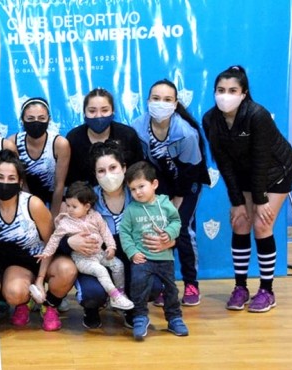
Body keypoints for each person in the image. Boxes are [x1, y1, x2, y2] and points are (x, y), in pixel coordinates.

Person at [203, 65, 292, 313]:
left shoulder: (258, 115)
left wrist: (261, 199)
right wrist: (236, 201)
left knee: (262, 224)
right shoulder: (210, 119)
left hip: (276, 171)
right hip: (246, 174)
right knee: (240, 222)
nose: (226, 94)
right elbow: (223, 163)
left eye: (233, 90)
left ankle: (267, 290)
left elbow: (261, 160)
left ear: (244, 93)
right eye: (221, 90)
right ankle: (241, 287)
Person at [58, 141, 168, 329]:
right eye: (101, 171)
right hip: (96, 260)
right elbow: (58, 241)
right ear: (95, 174)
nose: (108, 175)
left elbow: (168, 226)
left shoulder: (139, 194)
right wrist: (69, 242)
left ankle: (130, 306)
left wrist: (167, 239)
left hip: (131, 261)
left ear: (124, 168)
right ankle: (93, 307)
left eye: (113, 167)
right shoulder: (84, 199)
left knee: (154, 284)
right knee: (93, 294)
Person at [131, 79, 210, 306]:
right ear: (147, 102)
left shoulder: (187, 133)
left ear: (175, 104)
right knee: (156, 230)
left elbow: (190, 173)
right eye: (156, 98)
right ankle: (164, 285)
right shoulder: (137, 127)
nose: (160, 103)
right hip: (160, 185)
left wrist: (173, 209)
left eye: (167, 99)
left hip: (187, 184)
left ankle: (191, 283)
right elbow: (140, 165)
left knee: (180, 230)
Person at [0, 149, 77, 331]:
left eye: (11, 178)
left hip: (44, 257)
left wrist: (40, 278)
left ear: (20, 182)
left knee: (67, 270)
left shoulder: (33, 204)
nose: (5, 182)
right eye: (0, 177)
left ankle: (50, 305)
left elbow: (51, 242)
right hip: (18, 266)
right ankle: (25, 303)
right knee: (14, 292)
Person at [36, 181, 133, 311]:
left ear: (87, 206)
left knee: (118, 265)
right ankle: (114, 295)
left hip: (99, 253)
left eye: (74, 206)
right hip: (82, 259)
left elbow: (105, 232)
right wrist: (46, 252)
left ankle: (120, 293)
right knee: (101, 270)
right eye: (68, 205)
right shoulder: (65, 222)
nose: (69, 209)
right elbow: (54, 239)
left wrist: (111, 247)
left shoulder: (95, 216)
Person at [119, 161, 187, 341]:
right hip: (142, 258)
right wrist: (132, 252)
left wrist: (170, 234)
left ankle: (174, 318)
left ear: (154, 184)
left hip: (165, 257)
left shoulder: (165, 204)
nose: (137, 192)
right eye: (132, 189)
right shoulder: (131, 210)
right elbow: (124, 233)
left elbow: (176, 222)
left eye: (141, 186)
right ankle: (140, 316)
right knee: (138, 286)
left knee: (171, 288)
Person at [66, 88, 143, 186]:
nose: (98, 115)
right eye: (92, 111)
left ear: (113, 112)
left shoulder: (128, 135)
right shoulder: (73, 138)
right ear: (84, 113)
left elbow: (139, 171)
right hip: (84, 197)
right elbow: (69, 179)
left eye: (105, 110)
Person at [9, 97, 70, 218]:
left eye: (41, 118)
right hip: (24, 197)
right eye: (30, 118)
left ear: (49, 120)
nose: (36, 122)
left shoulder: (60, 144)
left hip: (54, 198)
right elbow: (21, 182)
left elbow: (59, 185)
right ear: (22, 120)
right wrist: (30, 212)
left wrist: (53, 218)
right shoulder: (12, 143)